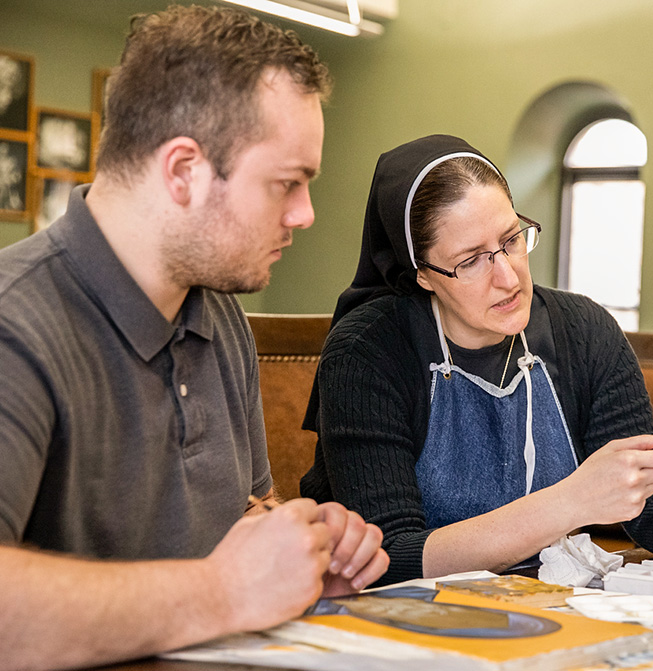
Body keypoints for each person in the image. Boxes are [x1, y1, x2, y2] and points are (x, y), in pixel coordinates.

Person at [0, 7, 388, 670]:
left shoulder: (218, 313)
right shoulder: (17, 324)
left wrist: (296, 557)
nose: (305, 214)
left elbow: (244, 515)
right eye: (286, 184)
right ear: (183, 170)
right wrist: (225, 589)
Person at [300, 134, 653, 585]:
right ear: (422, 274)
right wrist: (571, 501)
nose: (509, 278)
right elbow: (392, 561)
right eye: (471, 261)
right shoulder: (368, 350)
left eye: (512, 240)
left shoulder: (583, 330)